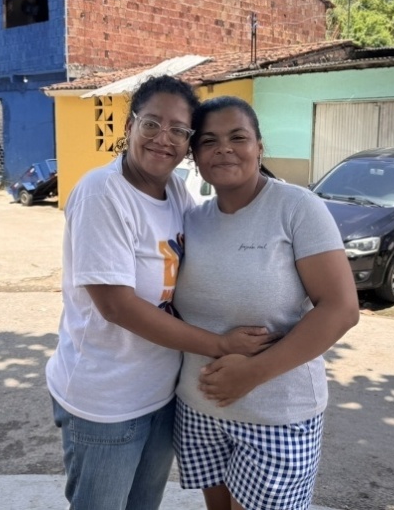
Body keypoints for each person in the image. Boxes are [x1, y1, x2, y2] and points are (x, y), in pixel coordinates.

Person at [45, 76, 276, 510]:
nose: (162, 139)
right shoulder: (103, 193)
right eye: (151, 124)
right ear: (130, 126)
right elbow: (117, 306)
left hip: (162, 393)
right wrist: (220, 344)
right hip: (106, 400)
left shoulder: (176, 192)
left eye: (178, 130)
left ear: (188, 144)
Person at [172, 96, 361, 510]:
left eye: (237, 136)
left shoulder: (296, 208)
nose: (224, 148)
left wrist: (252, 373)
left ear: (259, 146)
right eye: (209, 141)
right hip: (200, 409)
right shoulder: (193, 218)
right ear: (196, 157)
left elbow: (341, 308)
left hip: (277, 415)